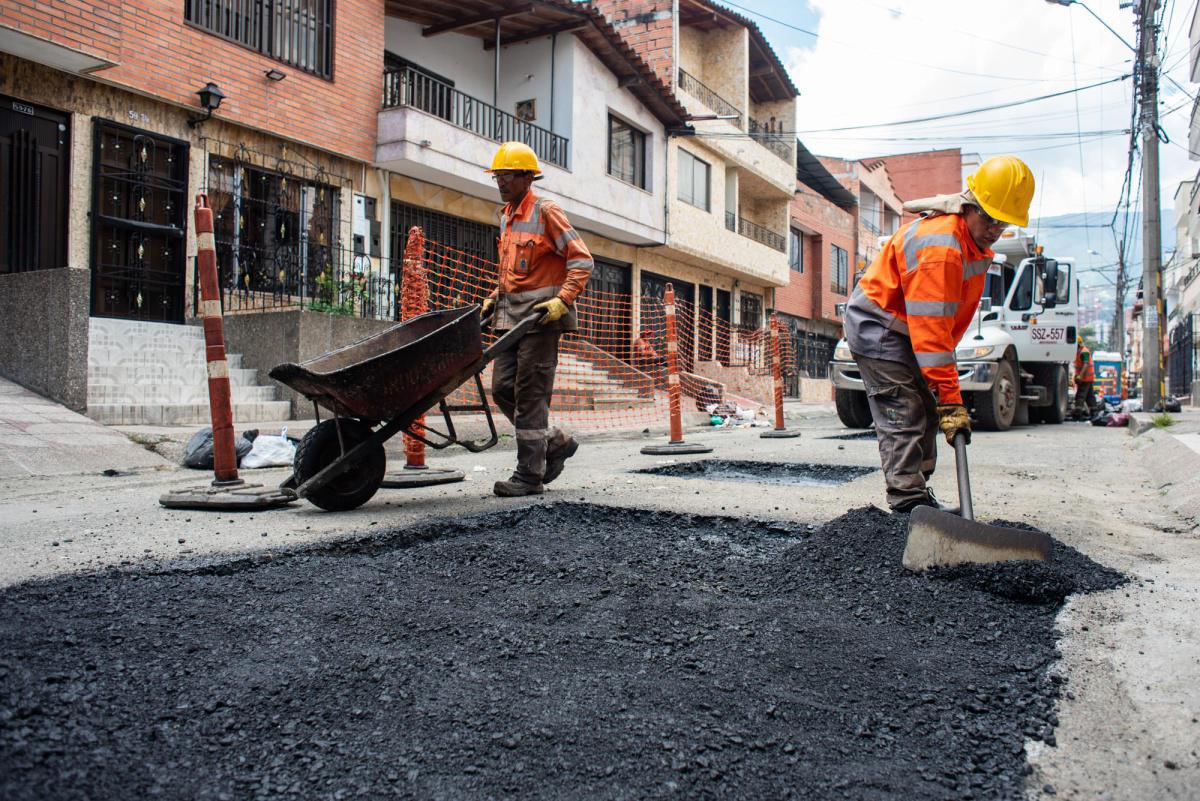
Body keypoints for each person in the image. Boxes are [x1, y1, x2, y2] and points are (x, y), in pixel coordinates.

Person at [842, 155, 1035, 513]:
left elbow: (942, 324)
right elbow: (930, 330)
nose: (995, 228)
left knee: (929, 410)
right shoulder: (941, 247)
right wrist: (951, 395)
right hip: (880, 327)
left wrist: (943, 396)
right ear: (969, 206)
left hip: (906, 328)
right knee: (905, 406)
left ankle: (918, 495)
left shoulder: (971, 242)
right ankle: (906, 501)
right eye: (990, 218)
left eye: (1003, 222)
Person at [480, 142, 593, 497]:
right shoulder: (506, 215)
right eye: (498, 176)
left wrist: (562, 301)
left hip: (541, 321)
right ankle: (555, 442)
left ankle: (529, 476)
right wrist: (495, 297)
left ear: (528, 177)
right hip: (509, 320)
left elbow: (582, 260)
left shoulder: (546, 211)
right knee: (501, 388)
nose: (501, 182)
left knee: (530, 396)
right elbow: (513, 272)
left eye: (508, 176)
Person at [1073, 336, 1098, 418]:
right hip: (1087, 378)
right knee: (1090, 396)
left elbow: (1085, 364)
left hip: (1085, 378)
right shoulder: (1079, 352)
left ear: (1077, 344)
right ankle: (1094, 412)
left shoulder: (1083, 352)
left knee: (1080, 395)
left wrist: (1080, 376)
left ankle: (1078, 413)